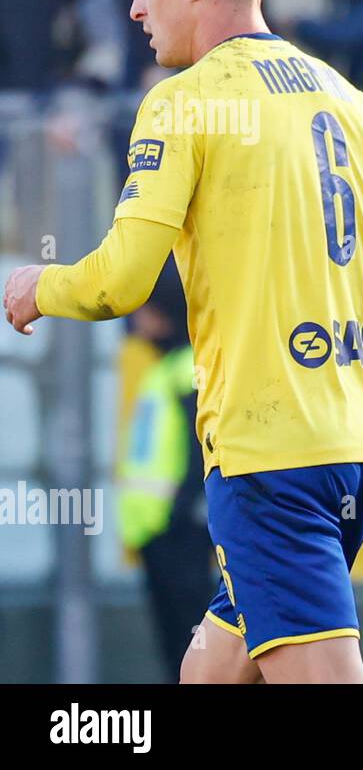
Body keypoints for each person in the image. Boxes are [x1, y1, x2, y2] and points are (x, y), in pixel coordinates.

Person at [2, 0, 363, 684]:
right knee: (208, 673)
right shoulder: (354, 106)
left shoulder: (184, 103)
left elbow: (120, 281)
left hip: (269, 461)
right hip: (356, 451)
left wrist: (40, 285)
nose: (136, 9)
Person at [117, 258, 211, 680]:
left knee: (189, 652)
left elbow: (200, 456)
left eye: (146, 309)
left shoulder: (187, 370)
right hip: (158, 534)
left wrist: (181, 515)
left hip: (180, 535)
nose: (137, 319)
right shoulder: (165, 368)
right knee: (176, 650)